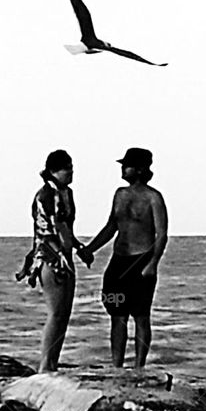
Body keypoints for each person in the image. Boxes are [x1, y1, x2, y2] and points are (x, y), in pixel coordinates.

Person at [78, 147, 168, 369]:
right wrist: (91, 249)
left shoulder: (153, 198)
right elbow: (112, 226)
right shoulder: (119, 194)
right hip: (119, 260)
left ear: (139, 169)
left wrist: (153, 264)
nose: (123, 169)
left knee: (141, 315)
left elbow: (162, 234)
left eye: (127, 166)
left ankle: (139, 366)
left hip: (141, 260)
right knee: (117, 314)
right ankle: (116, 366)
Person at [16, 149, 91, 373]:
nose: (71, 172)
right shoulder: (46, 195)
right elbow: (48, 231)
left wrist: (78, 247)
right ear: (53, 171)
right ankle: (46, 365)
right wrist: (59, 256)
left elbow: (66, 228)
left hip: (64, 256)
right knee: (56, 312)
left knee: (64, 314)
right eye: (66, 168)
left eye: (71, 167)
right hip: (49, 257)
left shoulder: (67, 193)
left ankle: (53, 363)